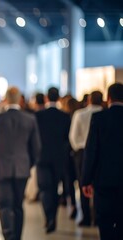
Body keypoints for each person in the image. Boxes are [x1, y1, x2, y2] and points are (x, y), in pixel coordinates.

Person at [0, 87, 41, 240]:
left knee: (4, 205)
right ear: (20, 99)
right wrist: (28, 164)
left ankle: (8, 235)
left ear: (6, 99)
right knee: (18, 205)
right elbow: (36, 147)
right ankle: (17, 236)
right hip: (22, 168)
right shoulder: (29, 119)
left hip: (1, 167)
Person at [82, 83, 123, 240]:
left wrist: (86, 180)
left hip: (104, 180)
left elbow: (92, 150)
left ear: (108, 98)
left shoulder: (100, 118)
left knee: (105, 221)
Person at [35, 87, 71, 233]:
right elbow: (67, 139)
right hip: (58, 158)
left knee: (44, 189)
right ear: (58, 98)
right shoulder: (64, 116)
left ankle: (48, 216)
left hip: (42, 157)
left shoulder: (38, 115)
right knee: (55, 188)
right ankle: (53, 217)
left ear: (46, 98)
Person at [69, 90, 103, 226]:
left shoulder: (80, 114)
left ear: (89, 99)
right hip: (101, 153)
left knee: (83, 183)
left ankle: (86, 217)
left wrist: (78, 149)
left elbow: (73, 136)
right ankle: (97, 215)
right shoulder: (104, 114)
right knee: (99, 185)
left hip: (82, 152)